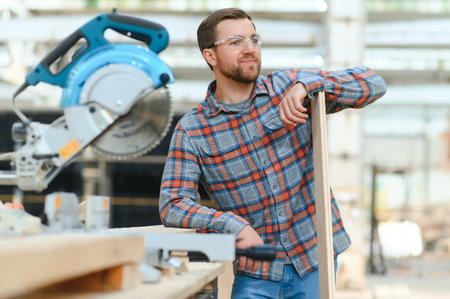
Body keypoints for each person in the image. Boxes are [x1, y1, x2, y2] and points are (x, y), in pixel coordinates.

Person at [159, 7, 386, 298]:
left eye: (254, 40)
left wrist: (310, 86)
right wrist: (232, 225)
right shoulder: (193, 130)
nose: (249, 48)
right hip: (256, 272)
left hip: (314, 260)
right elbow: (173, 203)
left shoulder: (287, 87)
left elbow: (374, 83)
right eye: (236, 42)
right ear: (210, 55)